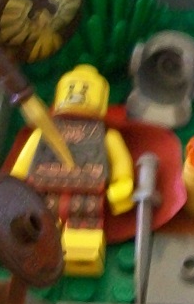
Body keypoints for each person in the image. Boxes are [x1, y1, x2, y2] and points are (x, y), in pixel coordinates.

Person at [11, 64, 135, 276]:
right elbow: (23, 163)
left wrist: (123, 182)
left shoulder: (105, 135)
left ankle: (80, 255)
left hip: (88, 193)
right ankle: (34, 252)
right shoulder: (43, 132)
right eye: (72, 88)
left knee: (83, 226)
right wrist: (15, 183)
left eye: (85, 89)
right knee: (36, 223)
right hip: (43, 189)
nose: (77, 94)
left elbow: (120, 161)